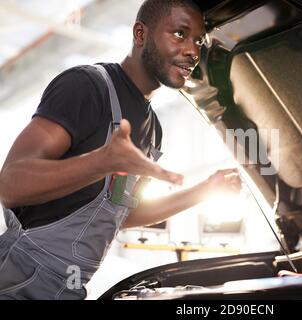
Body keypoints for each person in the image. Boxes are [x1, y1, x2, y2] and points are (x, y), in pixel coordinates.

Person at [0, 0, 241, 300]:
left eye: (198, 41)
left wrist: (205, 190)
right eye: (180, 34)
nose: (193, 51)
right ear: (141, 34)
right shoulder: (87, 87)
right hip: (20, 280)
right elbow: (10, 185)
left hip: (70, 289)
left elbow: (122, 214)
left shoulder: (154, 129)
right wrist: (101, 162)